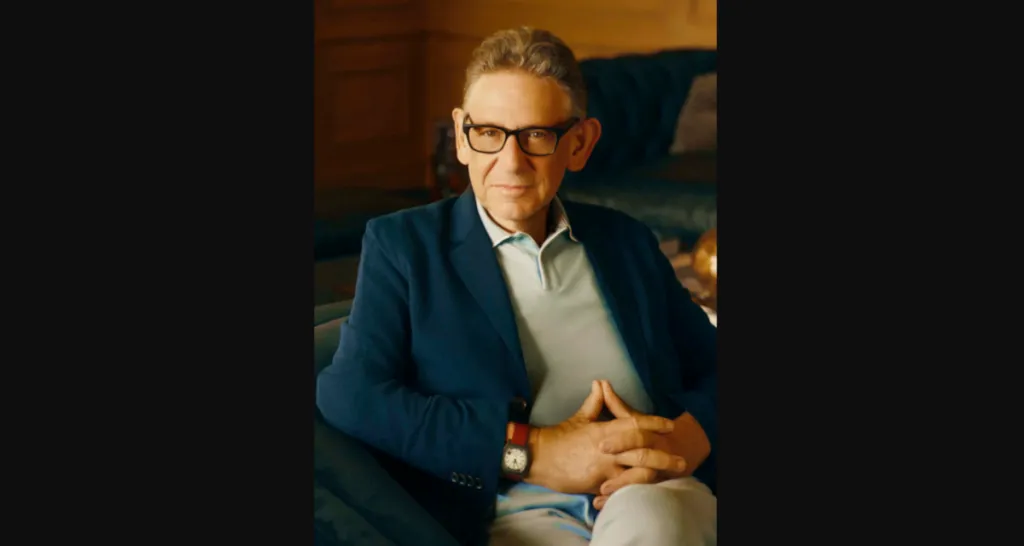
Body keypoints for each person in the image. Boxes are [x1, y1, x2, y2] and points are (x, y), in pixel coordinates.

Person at [316, 26, 717, 546]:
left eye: (536, 135)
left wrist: (692, 437)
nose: (510, 162)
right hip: (517, 515)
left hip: (655, 494)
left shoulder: (626, 241)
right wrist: (529, 450)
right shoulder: (405, 246)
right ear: (461, 136)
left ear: (579, 143)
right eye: (488, 133)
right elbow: (350, 394)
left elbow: (713, 363)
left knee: (657, 524)